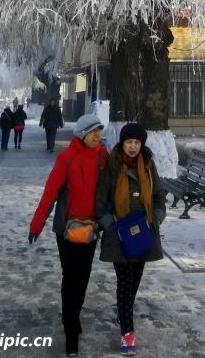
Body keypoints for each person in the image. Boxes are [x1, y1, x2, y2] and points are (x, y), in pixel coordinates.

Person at [29, 114, 109, 358]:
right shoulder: (67, 158)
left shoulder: (104, 158)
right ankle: (71, 329)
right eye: (93, 131)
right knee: (71, 276)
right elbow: (50, 193)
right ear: (81, 134)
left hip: (91, 230)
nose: (97, 135)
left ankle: (73, 315)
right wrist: (37, 224)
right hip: (67, 230)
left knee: (83, 277)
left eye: (100, 130)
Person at [96, 122, 166, 356]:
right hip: (120, 237)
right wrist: (111, 225)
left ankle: (124, 315)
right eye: (129, 142)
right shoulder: (113, 166)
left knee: (133, 285)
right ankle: (128, 333)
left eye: (137, 142)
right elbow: (101, 202)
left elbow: (158, 197)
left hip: (143, 236)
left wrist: (154, 220)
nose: (133, 146)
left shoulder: (147, 165)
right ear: (122, 143)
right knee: (125, 285)